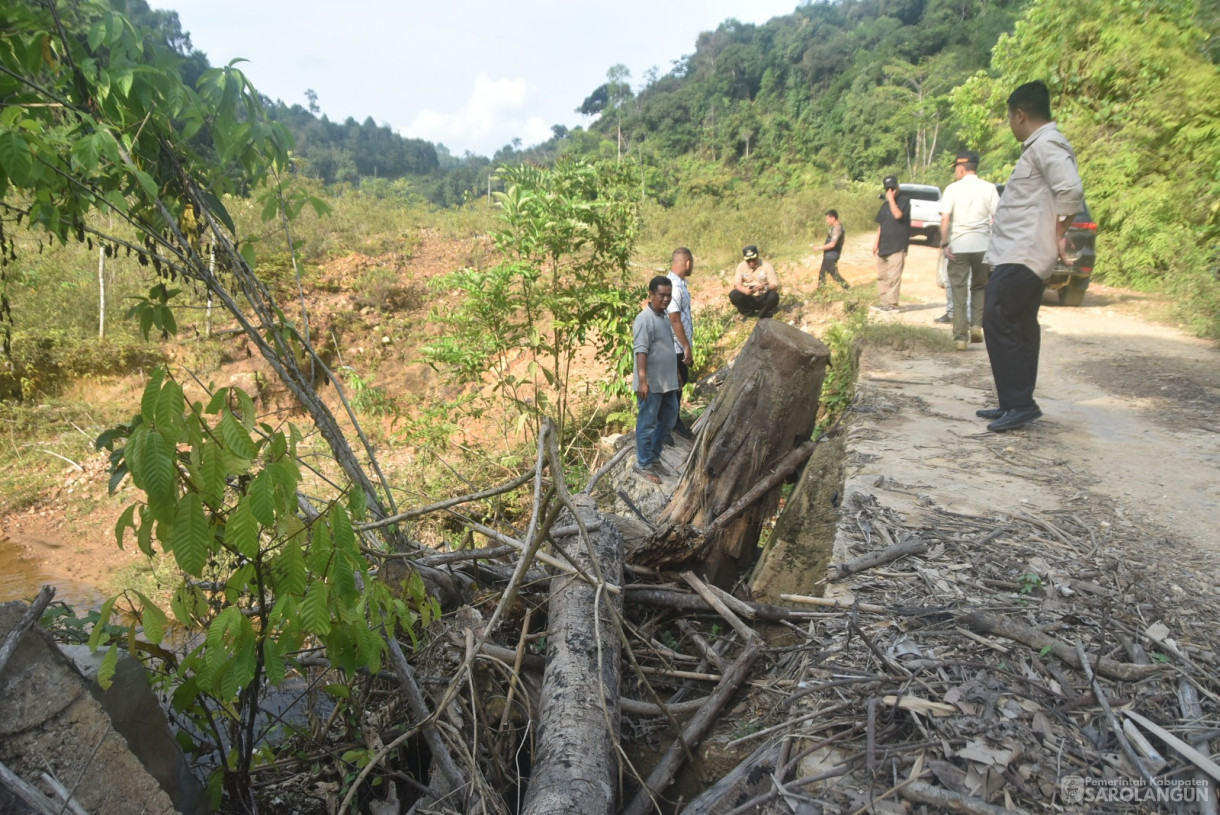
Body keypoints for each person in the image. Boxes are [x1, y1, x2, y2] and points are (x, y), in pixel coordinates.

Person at [978, 81, 1083, 432]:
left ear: (1019, 114)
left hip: (1024, 253)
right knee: (1020, 325)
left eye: (1010, 116)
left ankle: (1020, 403)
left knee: (996, 316)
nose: (1010, 123)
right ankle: (1015, 402)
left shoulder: (1047, 144)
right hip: (1020, 252)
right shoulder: (1039, 146)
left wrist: (1059, 233)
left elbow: (1070, 189)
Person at [939, 150, 999, 351]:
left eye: (956, 167)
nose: (955, 171)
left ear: (962, 168)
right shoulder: (989, 189)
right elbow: (998, 218)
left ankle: (961, 338)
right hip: (983, 246)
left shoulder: (952, 189)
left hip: (958, 247)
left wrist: (944, 244)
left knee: (958, 290)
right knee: (980, 287)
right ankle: (976, 326)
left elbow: (945, 218)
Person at [633, 276, 681, 482]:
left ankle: (654, 458)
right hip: (652, 383)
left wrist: (676, 372)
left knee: (668, 419)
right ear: (651, 295)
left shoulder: (663, 317)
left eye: (669, 295)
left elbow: (667, 347)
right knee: (647, 423)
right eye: (661, 295)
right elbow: (641, 351)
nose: (666, 299)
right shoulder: (644, 319)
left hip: (667, 382)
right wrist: (643, 380)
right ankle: (643, 464)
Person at [666, 247, 695, 440]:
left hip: (678, 345)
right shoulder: (674, 287)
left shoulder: (679, 283)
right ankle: (669, 426)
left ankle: (674, 422)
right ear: (687, 263)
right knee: (673, 385)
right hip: (674, 346)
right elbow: (674, 317)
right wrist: (685, 346)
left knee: (679, 384)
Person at [871, 175, 911, 312]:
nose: (890, 191)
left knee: (893, 278)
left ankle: (893, 304)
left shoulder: (904, 201)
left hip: (897, 246)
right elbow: (881, 226)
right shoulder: (884, 206)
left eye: (892, 188)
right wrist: (876, 243)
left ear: (897, 187)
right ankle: (884, 304)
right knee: (882, 276)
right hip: (884, 245)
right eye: (888, 188)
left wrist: (891, 200)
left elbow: (898, 215)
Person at [729, 245, 780, 319]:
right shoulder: (741, 266)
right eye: (748, 260)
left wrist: (765, 287)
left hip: (763, 296)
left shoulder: (766, 266)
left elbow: (775, 284)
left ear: (757, 256)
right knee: (734, 294)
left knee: (773, 295)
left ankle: (764, 314)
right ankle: (748, 313)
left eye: (753, 259)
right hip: (750, 298)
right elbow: (737, 284)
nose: (751, 262)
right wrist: (745, 290)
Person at [812, 210, 850, 291]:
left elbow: (833, 244)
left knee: (834, 275)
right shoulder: (836, 227)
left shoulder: (837, 228)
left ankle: (848, 289)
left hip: (831, 256)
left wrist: (819, 248)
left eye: (828, 219)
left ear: (833, 218)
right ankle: (821, 292)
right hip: (829, 255)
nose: (827, 221)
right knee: (822, 274)